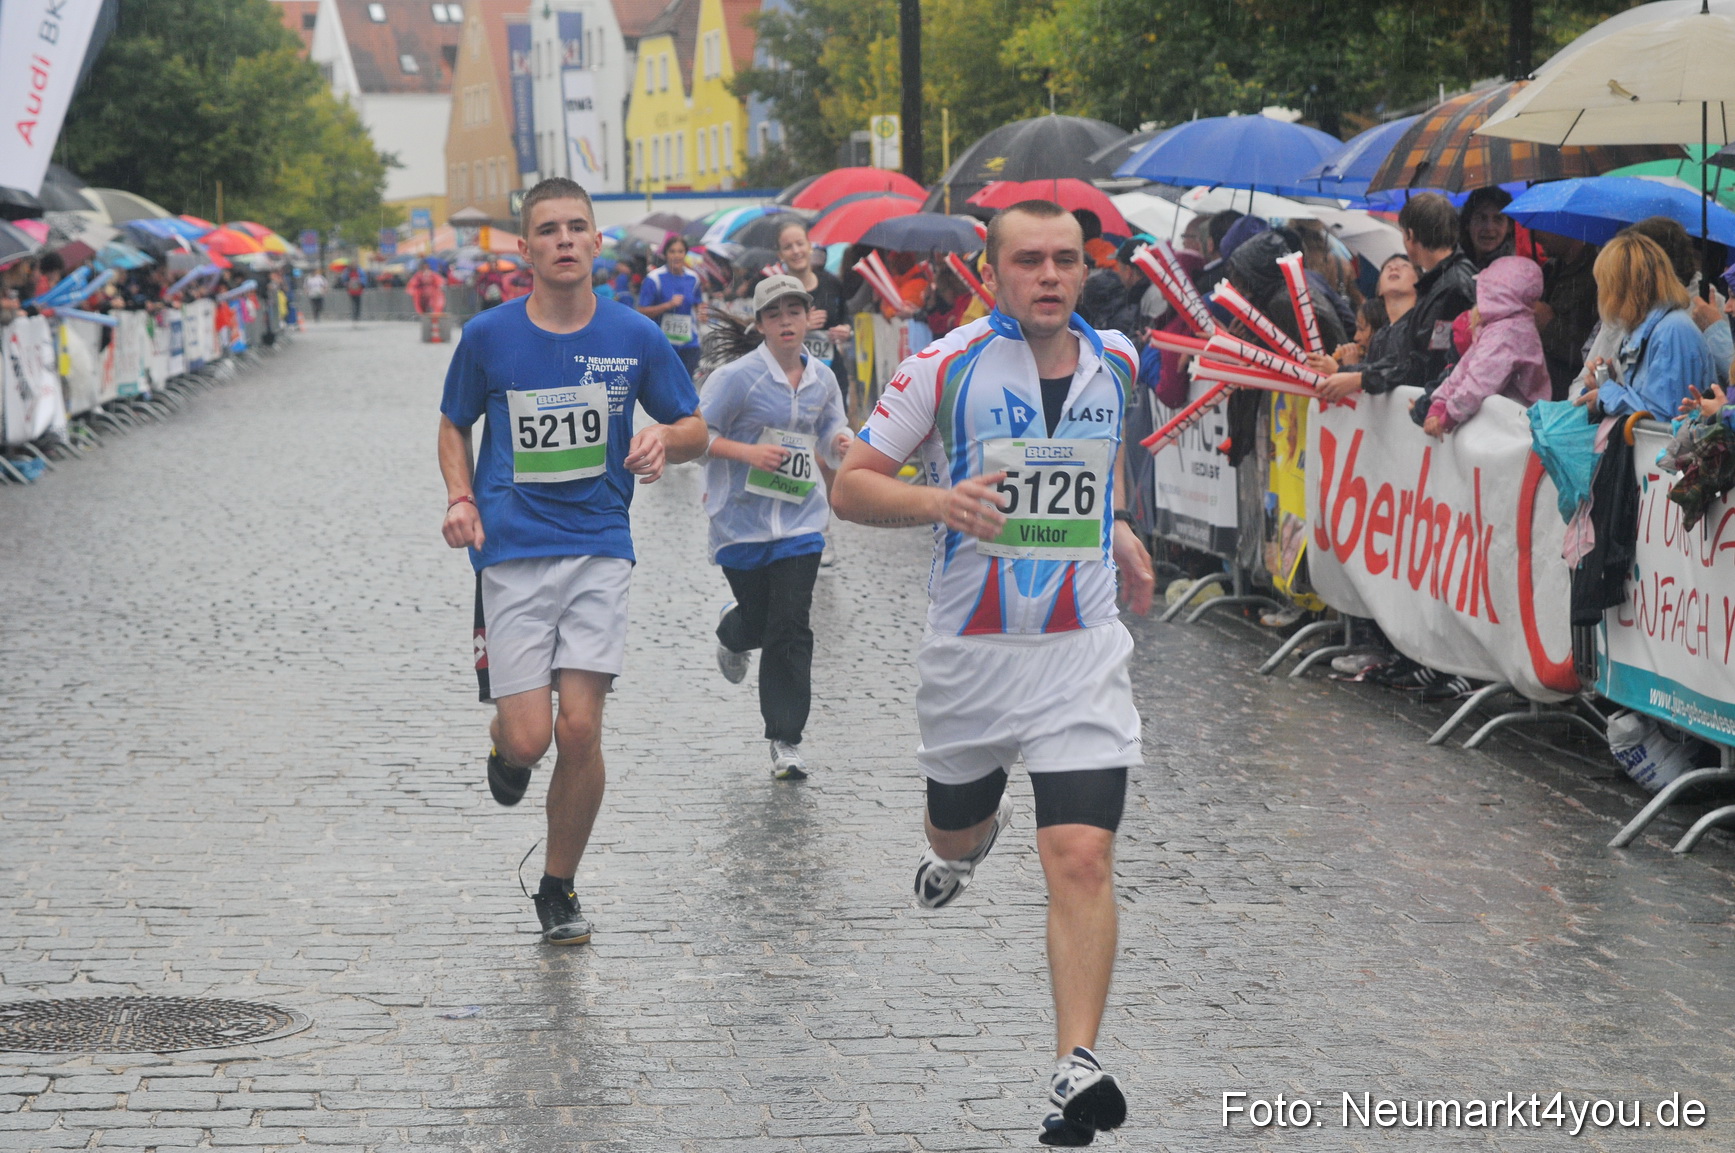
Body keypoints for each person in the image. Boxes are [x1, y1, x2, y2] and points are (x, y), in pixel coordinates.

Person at [831, 199, 1155, 1148]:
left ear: (1085, 269)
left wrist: (1122, 528)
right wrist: (939, 499)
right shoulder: (942, 366)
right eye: (1028, 261)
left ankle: (1075, 1064)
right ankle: (962, 850)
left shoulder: (1120, 363)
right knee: (953, 821)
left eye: (1064, 260)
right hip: (969, 659)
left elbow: (1100, 472)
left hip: (1080, 651)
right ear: (993, 270)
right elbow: (851, 483)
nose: (1048, 275)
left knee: (1082, 857)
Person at [437, 177, 707, 946]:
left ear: (596, 243)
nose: (563, 239)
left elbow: (694, 424)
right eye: (547, 229)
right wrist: (461, 496)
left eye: (576, 227)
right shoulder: (488, 336)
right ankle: (504, 744)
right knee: (531, 739)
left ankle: (558, 885)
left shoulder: (634, 336)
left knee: (581, 729)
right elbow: (452, 426)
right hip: (511, 550)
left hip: (597, 546)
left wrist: (664, 439)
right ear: (524, 249)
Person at [700, 274, 854, 780]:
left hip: (801, 521)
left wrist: (843, 443)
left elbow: (831, 429)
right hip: (741, 522)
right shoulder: (736, 379)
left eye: (794, 311)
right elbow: (697, 436)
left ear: (808, 316)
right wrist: (748, 453)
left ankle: (785, 738)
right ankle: (733, 631)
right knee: (762, 622)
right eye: (774, 314)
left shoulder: (823, 378)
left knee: (791, 626)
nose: (785, 321)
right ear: (761, 324)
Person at [1317, 193, 1475, 402]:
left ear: (1410, 235)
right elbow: (1407, 358)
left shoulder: (1450, 287)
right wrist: (1354, 373)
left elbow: (1427, 364)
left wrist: (1360, 379)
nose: (1394, 267)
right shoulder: (1444, 282)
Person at [1574, 231, 1716, 419]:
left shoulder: (1672, 332)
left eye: (1604, 284)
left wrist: (1606, 395)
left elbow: (1664, 418)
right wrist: (1607, 384)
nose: (1600, 293)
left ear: (1621, 288)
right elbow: (1649, 402)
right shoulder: (1650, 329)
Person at [1420, 256, 1550, 437]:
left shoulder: (1508, 333)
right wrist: (1439, 403)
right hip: (1501, 429)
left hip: (1511, 432)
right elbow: (1464, 369)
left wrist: (1449, 414)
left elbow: (1480, 379)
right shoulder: (1497, 328)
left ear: (1496, 293)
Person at [772, 220, 852, 400]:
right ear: (780, 255)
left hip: (831, 374)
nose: (796, 251)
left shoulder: (831, 283)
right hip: (790, 378)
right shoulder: (775, 291)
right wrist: (802, 326)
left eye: (800, 244)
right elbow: (763, 333)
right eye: (788, 247)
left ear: (809, 246)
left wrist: (846, 331)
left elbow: (846, 318)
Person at [638, 235, 704, 378]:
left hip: (689, 344)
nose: (676, 256)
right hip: (663, 344)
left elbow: (699, 304)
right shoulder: (654, 278)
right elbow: (642, 311)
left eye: (680, 252)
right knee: (666, 386)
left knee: (686, 386)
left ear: (685, 254)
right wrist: (668, 305)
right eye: (672, 251)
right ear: (666, 254)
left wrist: (703, 313)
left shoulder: (693, 278)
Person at [1457, 186, 1517, 271]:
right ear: (1467, 223)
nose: (1489, 227)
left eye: (1497, 219)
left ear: (1510, 226)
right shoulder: (1454, 267)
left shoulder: (1516, 271)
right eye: (1481, 218)